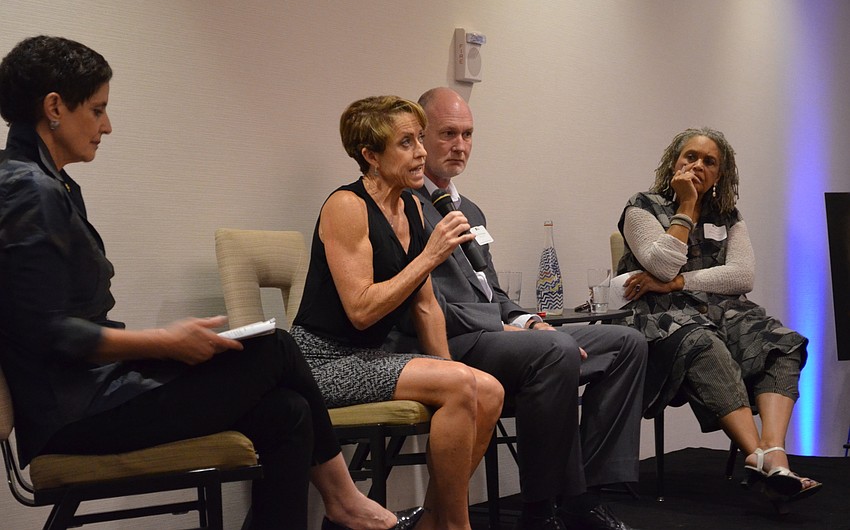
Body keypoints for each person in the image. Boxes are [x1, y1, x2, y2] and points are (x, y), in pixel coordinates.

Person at [0, 35, 422, 530]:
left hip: (92, 394)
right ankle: (347, 503)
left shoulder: (49, 184)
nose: (107, 126)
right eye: (97, 110)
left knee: (287, 412)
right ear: (54, 107)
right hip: (72, 414)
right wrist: (163, 342)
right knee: (277, 350)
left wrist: (170, 346)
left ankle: (342, 505)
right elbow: (49, 333)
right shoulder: (28, 191)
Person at [388, 87, 647, 530]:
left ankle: (584, 494)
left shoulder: (469, 208)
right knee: (554, 351)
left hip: (495, 332)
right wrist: (513, 331)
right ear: (419, 137)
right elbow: (421, 303)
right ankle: (540, 509)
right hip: (446, 343)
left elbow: (489, 289)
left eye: (468, 134)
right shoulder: (400, 208)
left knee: (627, 343)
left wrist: (527, 319)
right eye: (448, 133)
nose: (461, 145)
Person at [290, 95, 504, 530]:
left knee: (490, 391)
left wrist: (447, 372)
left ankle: (432, 520)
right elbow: (361, 310)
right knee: (463, 384)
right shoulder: (346, 206)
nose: (421, 152)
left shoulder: (409, 206)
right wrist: (429, 256)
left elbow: (426, 306)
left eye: (419, 139)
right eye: (406, 142)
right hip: (319, 362)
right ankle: (456, 527)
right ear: (370, 155)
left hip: (367, 356)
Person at [614, 126, 821, 503]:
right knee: (703, 343)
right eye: (690, 156)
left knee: (783, 343)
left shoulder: (727, 214)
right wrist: (687, 205)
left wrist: (679, 283)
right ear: (672, 162)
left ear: (720, 174)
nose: (697, 165)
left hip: (721, 311)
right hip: (663, 318)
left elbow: (743, 275)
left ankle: (774, 452)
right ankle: (756, 454)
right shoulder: (640, 207)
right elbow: (660, 264)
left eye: (709, 162)